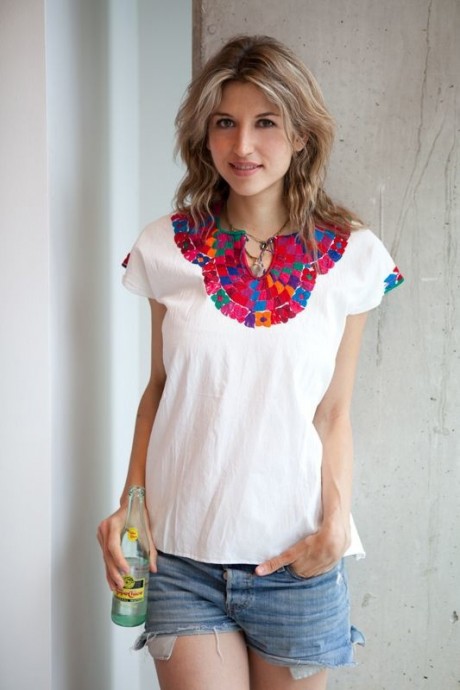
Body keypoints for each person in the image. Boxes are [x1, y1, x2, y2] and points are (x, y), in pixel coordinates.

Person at [97, 34, 404, 690]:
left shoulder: (353, 256)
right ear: (203, 136)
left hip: (297, 560)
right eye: (224, 123)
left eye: (266, 122)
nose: (242, 145)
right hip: (179, 557)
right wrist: (130, 503)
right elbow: (159, 389)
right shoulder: (165, 247)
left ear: (302, 136)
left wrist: (336, 523)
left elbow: (333, 413)